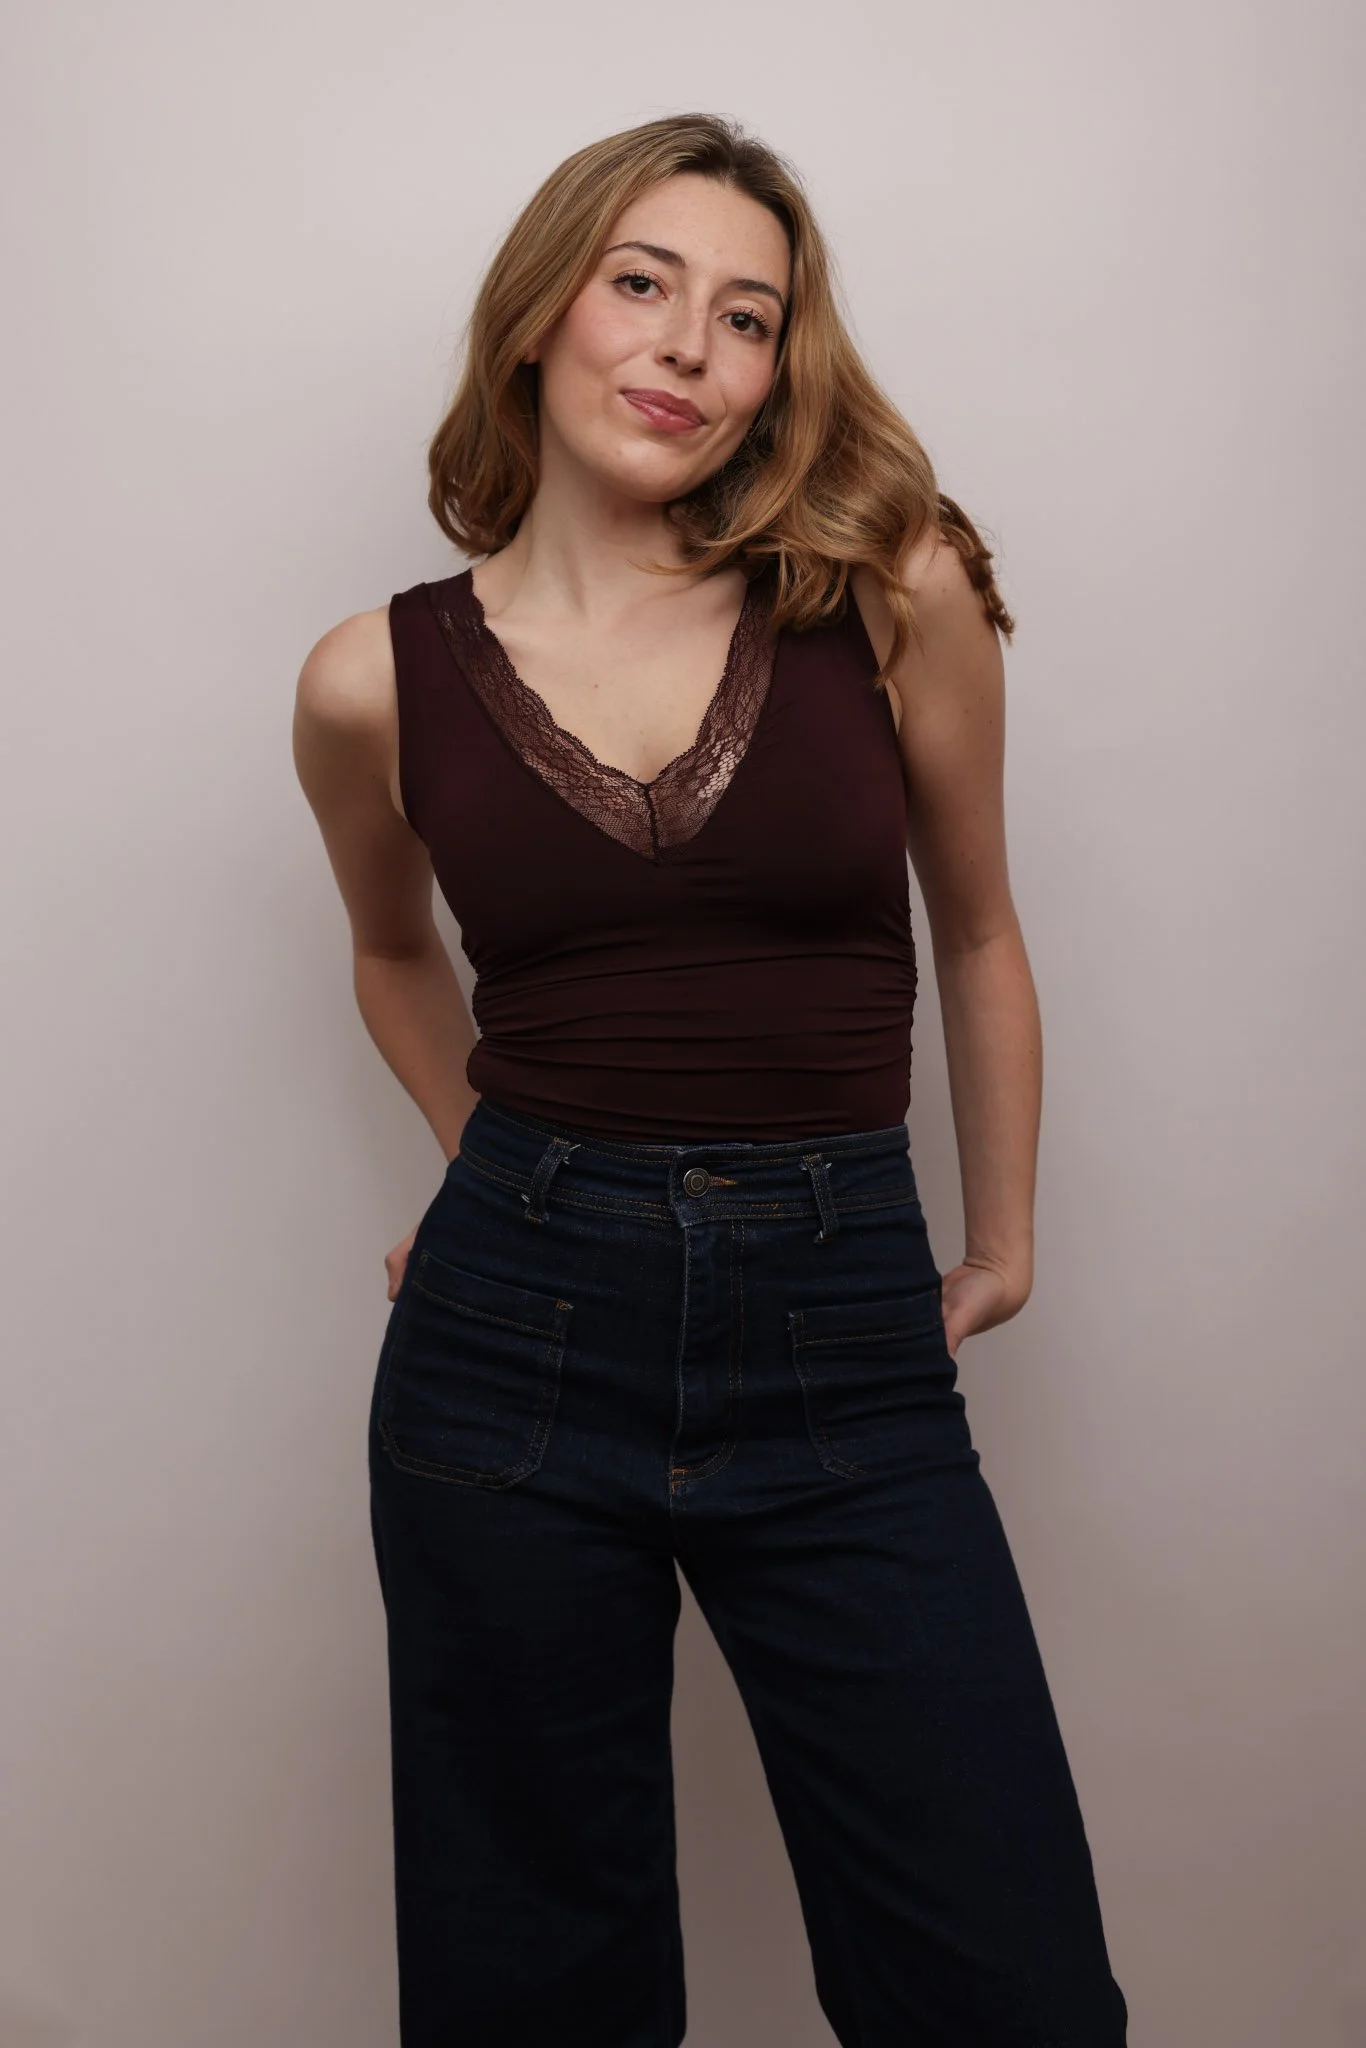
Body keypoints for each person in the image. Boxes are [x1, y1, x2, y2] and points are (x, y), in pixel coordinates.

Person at [292, 111, 1129, 2048]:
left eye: (746, 317)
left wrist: (999, 1239)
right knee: (536, 1993)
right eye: (642, 284)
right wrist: (482, 1165)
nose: (688, 343)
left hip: (844, 1329)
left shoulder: (884, 584)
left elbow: (975, 926)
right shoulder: (369, 680)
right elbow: (392, 951)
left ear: (776, 370)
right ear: (538, 313)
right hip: (509, 1343)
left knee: (1003, 1991)